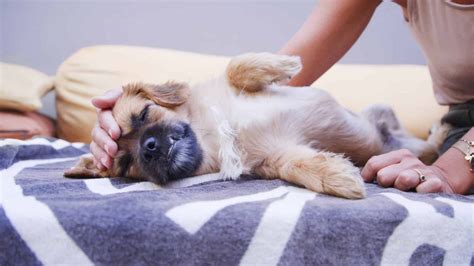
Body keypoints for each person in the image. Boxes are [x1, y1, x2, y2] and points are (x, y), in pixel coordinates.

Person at [90, 0, 474, 194]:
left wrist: (452, 167)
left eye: (142, 122)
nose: (147, 144)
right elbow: (291, 73)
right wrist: (131, 102)